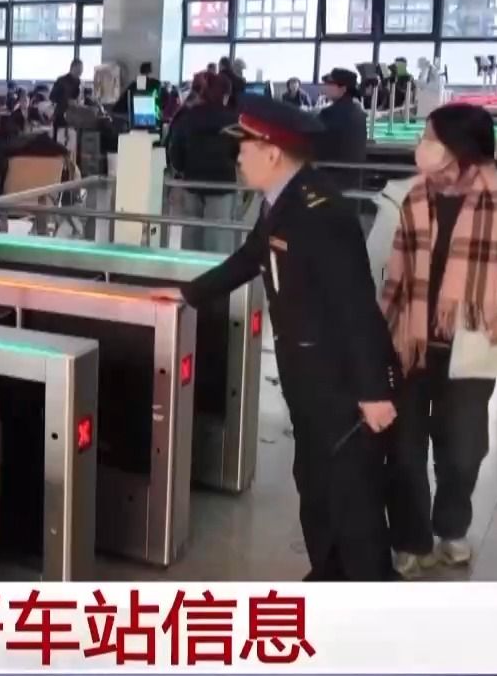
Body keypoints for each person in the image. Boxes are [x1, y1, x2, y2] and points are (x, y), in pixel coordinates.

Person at [169, 98, 398, 581]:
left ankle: (371, 593)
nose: (238, 158)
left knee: (350, 494)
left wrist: (374, 392)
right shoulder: (282, 200)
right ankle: (329, 573)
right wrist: (187, 294)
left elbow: (356, 307)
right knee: (313, 481)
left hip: (337, 381)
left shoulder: (320, 211)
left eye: (245, 148)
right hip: (304, 373)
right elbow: (251, 257)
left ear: (272, 153)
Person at [366, 104, 497, 577]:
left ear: (461, 148)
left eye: (431, 138)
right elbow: (373, 266)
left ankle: (451, 527)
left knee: (463, 450)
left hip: (473, 348)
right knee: (403, 451)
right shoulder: (402, 197)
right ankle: (409, 538)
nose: (422, 146)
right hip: (406, 346)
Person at [165, 74, 240, 253]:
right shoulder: (232, 119)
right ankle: (215, 269)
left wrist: (181, 169)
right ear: (224, 95)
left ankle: (191, 268)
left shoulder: (187, 116)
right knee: (217, 237)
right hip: (222, 184)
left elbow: (175, 149)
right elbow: (239, 151)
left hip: (193, 181)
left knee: (191, 234)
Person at [316, 67, 368, 165]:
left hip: (331, 170)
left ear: (343, 89)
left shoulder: (330, 113)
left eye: (330, 84)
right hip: (354, 172)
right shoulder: (359, 112)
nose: (325, 87)